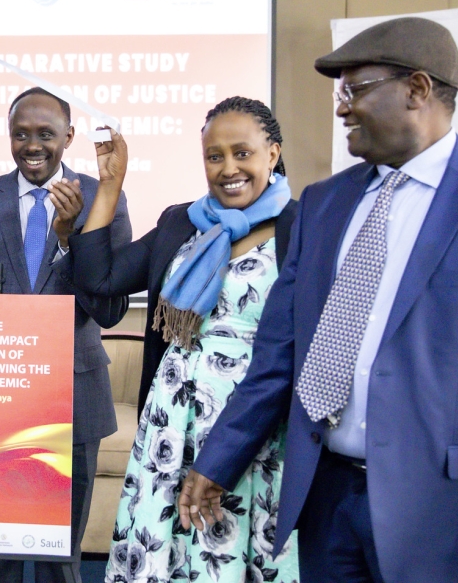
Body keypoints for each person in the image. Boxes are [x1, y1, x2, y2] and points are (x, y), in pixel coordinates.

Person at [183, 17, 458, 583]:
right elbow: (280, 356)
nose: (341, 109)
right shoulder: (322, 205)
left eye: (354, 90)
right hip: (328, 503)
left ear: (418, 90)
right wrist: (218, 459)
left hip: (452, 517)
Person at [69, 97, 299, 583]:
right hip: (171, 430)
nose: (228, 168)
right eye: (215, 156)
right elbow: (99, 282)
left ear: (272, 154)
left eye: (243, 153)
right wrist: (110, 185)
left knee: (234, 553)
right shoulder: (183, 223)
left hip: (255, 431)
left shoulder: (301, 228)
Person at [0, 86, 133, 583]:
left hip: (74, 400)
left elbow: (109, 310)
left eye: (45, 134)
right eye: (21, 134)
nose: (32, 145)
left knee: (59, 561)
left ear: (68, 136)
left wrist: (71, 241)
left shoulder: (102, 195)